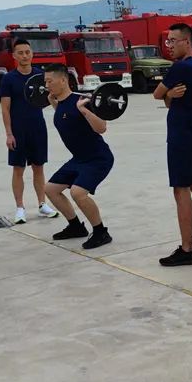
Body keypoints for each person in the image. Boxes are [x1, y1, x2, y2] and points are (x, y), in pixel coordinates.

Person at [153, 23, 192, 266]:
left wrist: (167, 95)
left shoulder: (180, 67)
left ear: (187, 42)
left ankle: (187, 249)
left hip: (181, 136)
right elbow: (169, 100)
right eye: (168, 41)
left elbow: (157, 94)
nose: (169, 46)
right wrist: (170, 96)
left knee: (181, 190)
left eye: (173, 41)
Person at [42, 64, 114, 250]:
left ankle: (100, 232)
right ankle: (75, 227)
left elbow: (102, 128)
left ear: (64, 80)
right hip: (78, 159)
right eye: (45, 81)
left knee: (78, 193)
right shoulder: (59, 102)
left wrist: (84, 110)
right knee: (50, 189)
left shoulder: (83, 101)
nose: (46, 85)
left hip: (98, 157)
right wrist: (54, 103)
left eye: (50, 81)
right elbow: (67, 117)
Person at [0, 38, 58, 224]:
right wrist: (9, 133)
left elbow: (51, 98)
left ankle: (42, 205)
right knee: (18, 169)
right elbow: (5, 109)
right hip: (17, 130)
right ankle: (20, 208)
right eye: (20, 53)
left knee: (38, 167)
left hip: (37, 128)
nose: (25, 55)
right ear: (14, 56)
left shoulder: (41, 76)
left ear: (32, 54)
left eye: (27, 52)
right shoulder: (9, 79)